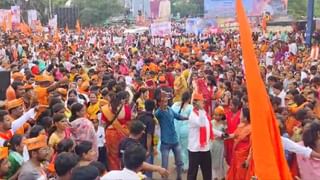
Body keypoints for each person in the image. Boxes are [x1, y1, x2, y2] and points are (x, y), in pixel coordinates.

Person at [155, 92, 188, 180]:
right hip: (165, 142)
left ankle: (179, 177)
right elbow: (159, 112)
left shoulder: (169, 109)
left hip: (175, 141)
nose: (165, 103)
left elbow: (178, 116)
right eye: (163, 101)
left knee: (179, 162)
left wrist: (188, 118)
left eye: (166, 101)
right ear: (159, 103)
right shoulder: (159, 113)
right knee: (164, 165)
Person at [187, 92, 215, 180]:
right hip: (195, 149)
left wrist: (221, 134)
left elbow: (208, 128)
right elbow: (201, 124)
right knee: (192, 173)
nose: (204, 103)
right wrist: (201, 110)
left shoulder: (204, 114)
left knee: (207, 173)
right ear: (197, 103)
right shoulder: (193, 115)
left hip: (205, 148)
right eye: (202, 101)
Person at [226, 107, 251, 180]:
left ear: (245, 118)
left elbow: (252, 147)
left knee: (241, 175)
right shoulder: (241, 126)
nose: (239, 116)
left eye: (241, 114)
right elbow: (234, 135)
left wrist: (248, 160)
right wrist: (223, 135)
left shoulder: (251, 129)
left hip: (244, 157)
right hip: (236, 155)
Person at [171, 91, 193, 171]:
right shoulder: (190, 107)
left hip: (175, 129)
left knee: (177, 148)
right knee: (185, 148)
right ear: (189, 99)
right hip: (185, 130)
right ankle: (185, 165)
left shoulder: (174, 105)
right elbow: (192, 119)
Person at [211, 106, 227, 180]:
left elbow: (225, 135)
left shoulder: (224, 124)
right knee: (213, 161)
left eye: (217, 115)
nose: (215, 116)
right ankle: (215, 177)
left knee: (220, 162)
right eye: (214, 114)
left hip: (220, 145)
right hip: (212, 145)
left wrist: (220, 137)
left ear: (221, 116)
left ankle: (221, 177)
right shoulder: (211, 122)